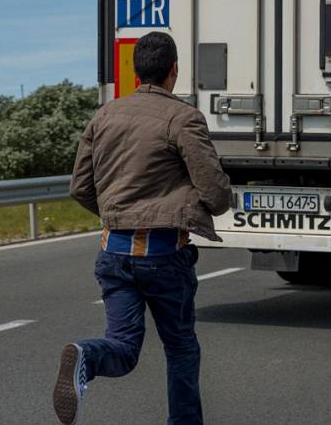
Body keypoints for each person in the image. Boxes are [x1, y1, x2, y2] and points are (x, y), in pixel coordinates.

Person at [53, 32, 232, 425]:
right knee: (181, 346)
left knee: (122, 346)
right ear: (174, 70)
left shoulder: (103, 116)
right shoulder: (183, 118)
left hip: (113, 253)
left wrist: (118, 215)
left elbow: (79, 187)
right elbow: (216, 193)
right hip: (164, 254)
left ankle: (86, 354)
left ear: (135, 72)